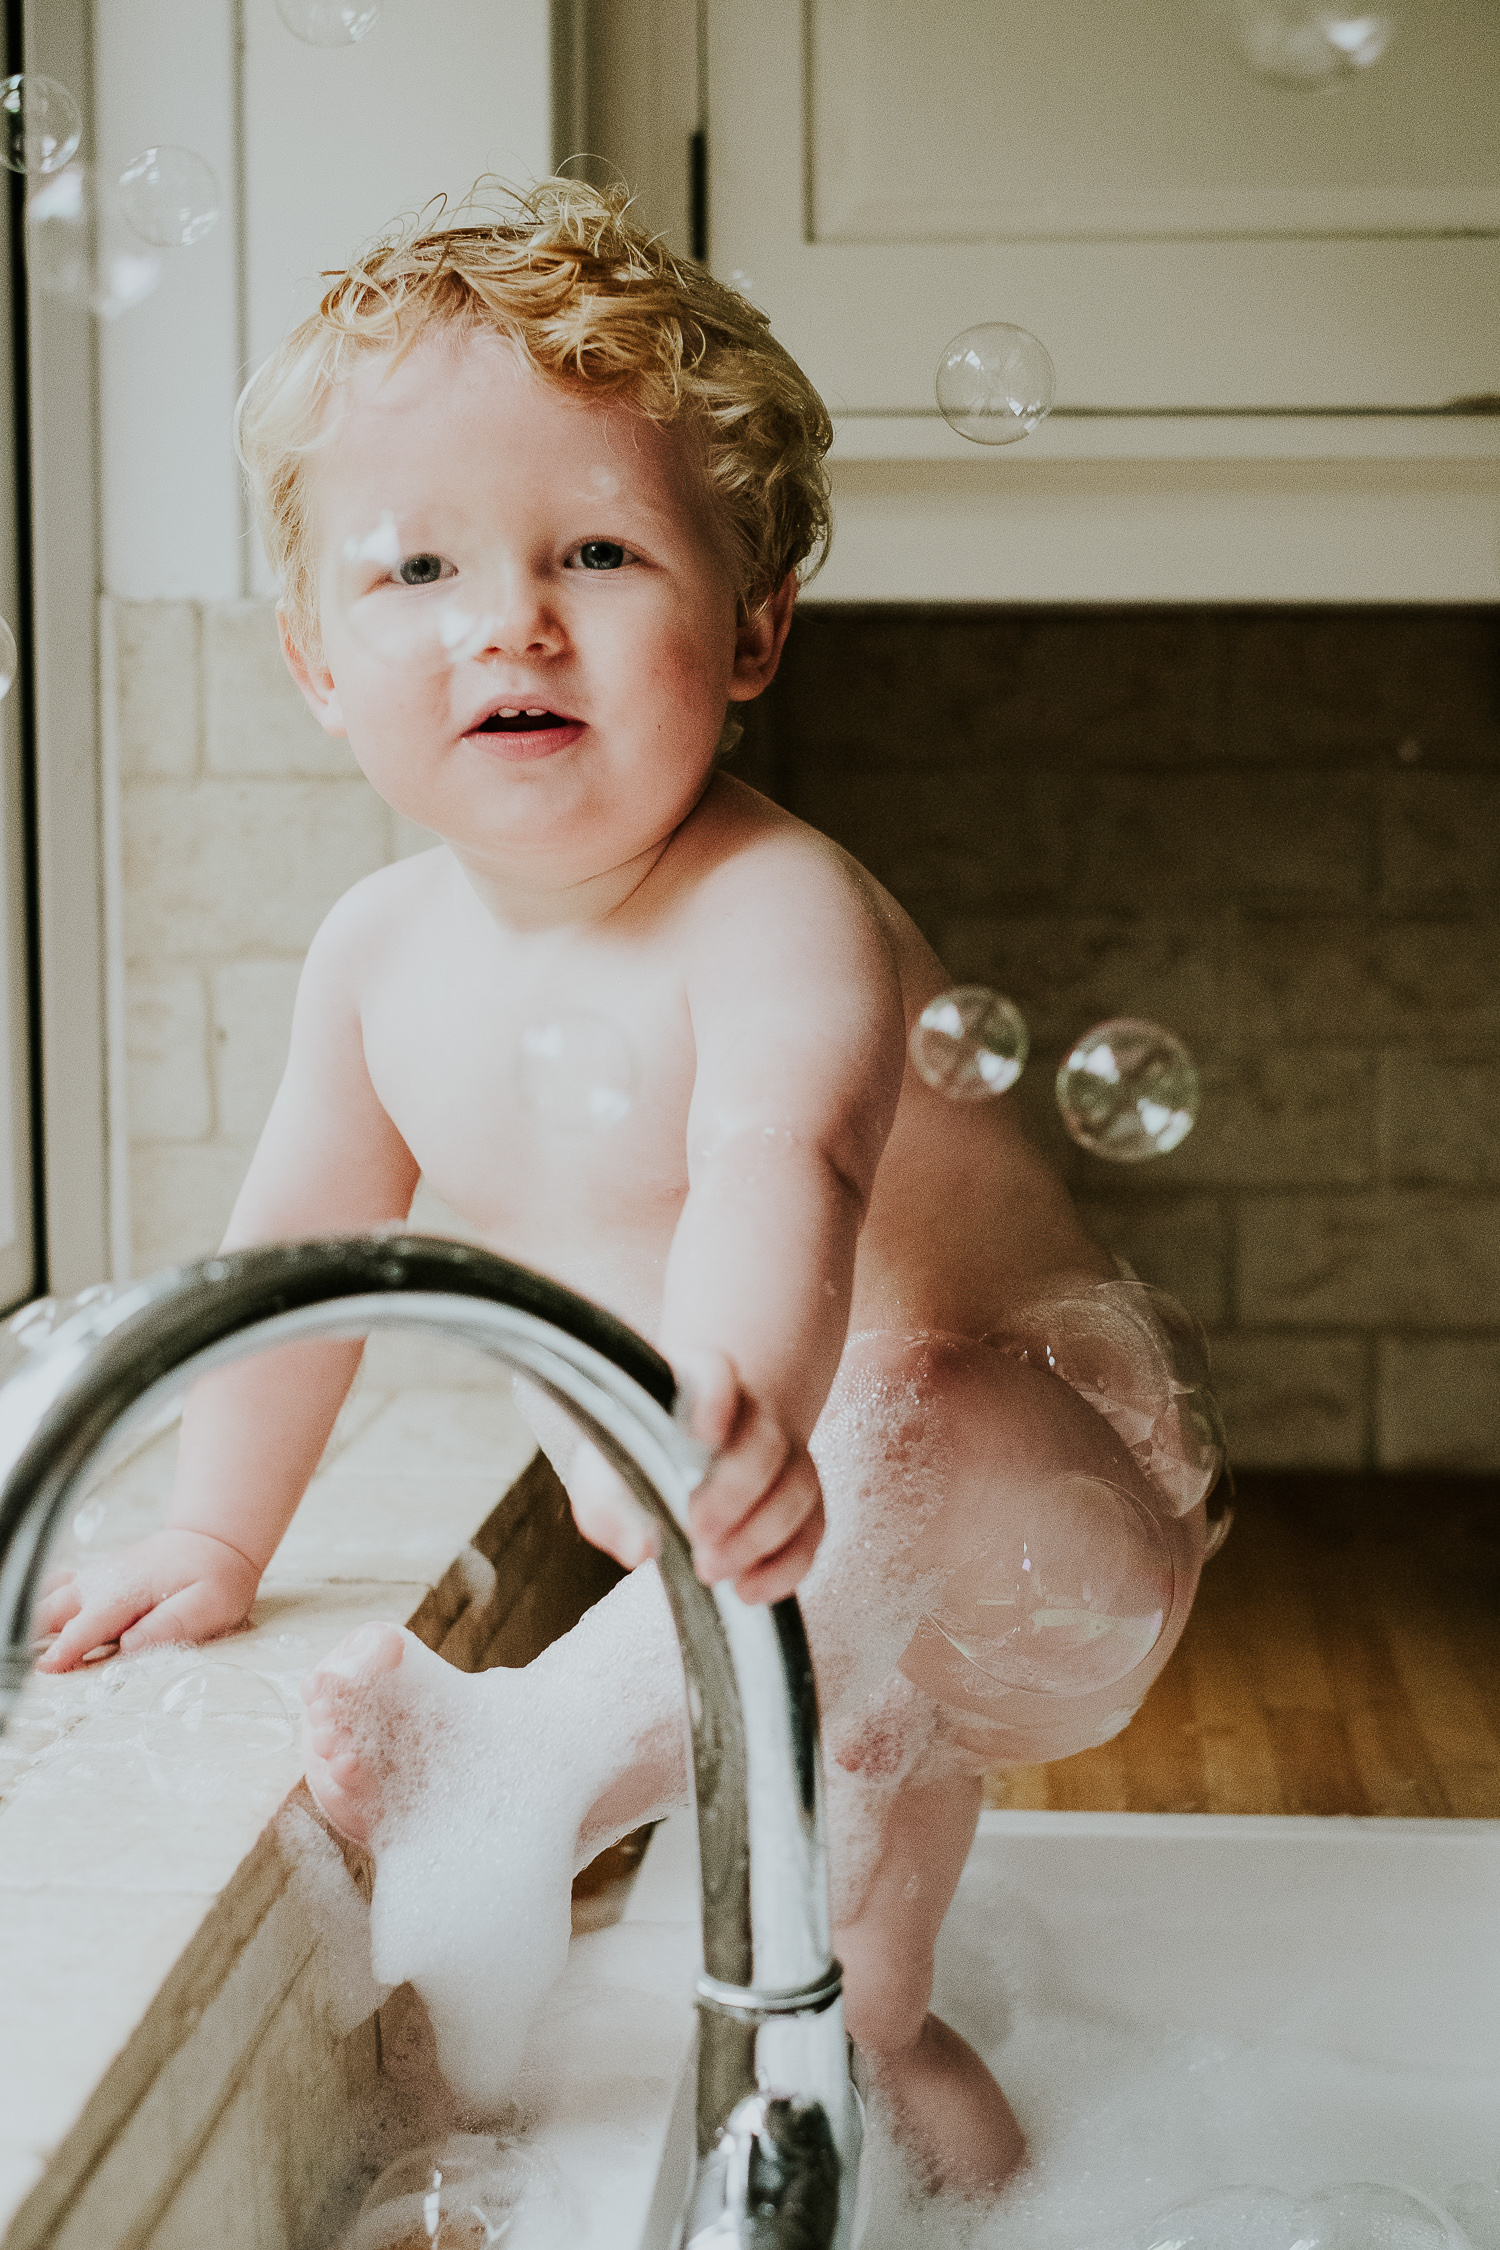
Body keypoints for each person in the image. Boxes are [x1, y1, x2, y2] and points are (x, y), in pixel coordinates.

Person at [33, 182, 1219, 2196]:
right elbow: (296, 1263)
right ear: (318, 658)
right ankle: (957, 2144)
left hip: (1023, 1510)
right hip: (771, 1587)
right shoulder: (378, 960)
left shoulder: (780, 914)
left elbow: (787, 1165)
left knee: (904, 1410)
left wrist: (743, 1390)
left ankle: (518, 1766)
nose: (509, 617)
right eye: (417, 567)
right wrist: (217, 1530)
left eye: (595, 549)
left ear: (752, 626)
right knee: (850, 1981)